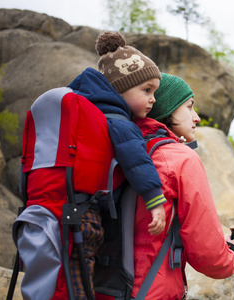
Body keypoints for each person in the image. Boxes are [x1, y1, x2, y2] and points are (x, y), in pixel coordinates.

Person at [15, 31, 167, 300]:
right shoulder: (119, 120)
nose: (153, 99)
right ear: (120, 88)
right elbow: (136, 159)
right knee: (79, 289)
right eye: (146, 90)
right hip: (82, 216)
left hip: (43, 209)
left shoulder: (82, 108)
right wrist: (155, 200)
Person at [132, 73, 234, 299]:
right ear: (166, 109)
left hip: (104, 288)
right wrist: (233, 254)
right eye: (189, 107)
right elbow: (209, 257)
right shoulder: (180, 158)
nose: (197, 118)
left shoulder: (127, 151)